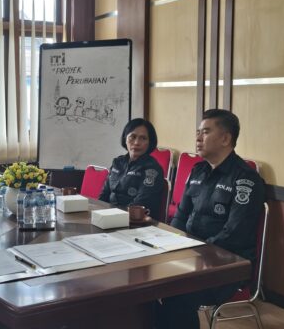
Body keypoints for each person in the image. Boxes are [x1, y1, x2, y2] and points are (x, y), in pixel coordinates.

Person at [156, 109, 265, 329]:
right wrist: (169, 245)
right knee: (146, 284)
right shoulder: (198, 171)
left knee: (176, 292)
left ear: (225, 138)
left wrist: (194, 254)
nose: (198, 138)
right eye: (198, 132)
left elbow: (234, 233)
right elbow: (180, 217)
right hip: (191, 257)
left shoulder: (245, 178)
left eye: (205, 132)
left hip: (226, 265)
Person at [98, 118, 164, 220]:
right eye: (132, 137)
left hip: (135, 222)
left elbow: (139, 205)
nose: (136, 142)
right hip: (108, 218)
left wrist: (112, 218)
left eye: (143, 138)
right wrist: (98, 214)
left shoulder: (152, 169)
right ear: (125, 138)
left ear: (150, 142)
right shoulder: (117, 163)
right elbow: (103, 196)